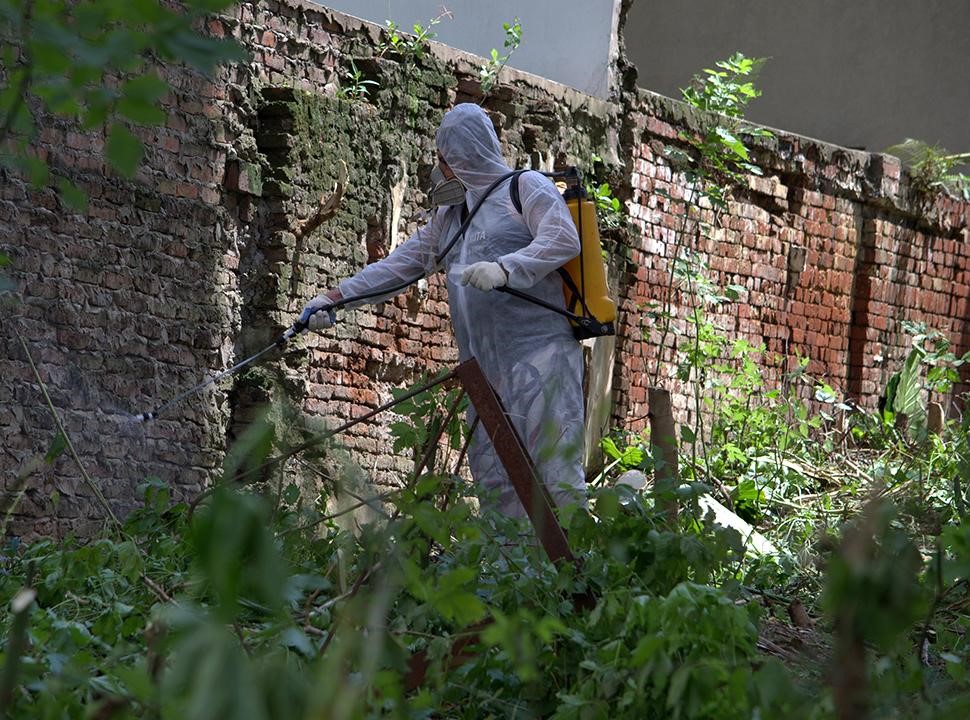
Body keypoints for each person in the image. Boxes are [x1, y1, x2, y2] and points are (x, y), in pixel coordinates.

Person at [300, 103, 586, 518]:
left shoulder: (524, 188)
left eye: (442, 158)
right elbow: (400, 266)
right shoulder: (451, 216)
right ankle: (517, 578)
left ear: (461, 155)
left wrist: (506, 269)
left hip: (542, 361)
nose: (439, 169)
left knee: (556, 474)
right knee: (497, 485)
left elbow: (562, 239)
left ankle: (578, 578)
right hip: (485, 374)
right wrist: (335, 298)